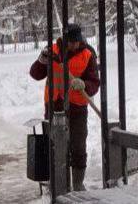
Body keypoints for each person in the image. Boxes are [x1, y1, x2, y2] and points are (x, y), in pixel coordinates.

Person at [28, 23, 100, 191]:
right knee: (55, 146)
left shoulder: (88, 54)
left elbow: (95, 83)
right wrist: (41, 60)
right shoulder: (51, 51)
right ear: (64, 40)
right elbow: (35, 74)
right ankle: (58, 183)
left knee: (78, 146)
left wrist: (84, 83)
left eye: (77, 41)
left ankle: (77, 183)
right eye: (72, 42)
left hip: (77, 108)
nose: (75, 44)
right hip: (54, 106)